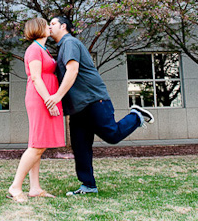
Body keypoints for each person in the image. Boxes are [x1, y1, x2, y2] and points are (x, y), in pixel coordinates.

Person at [44, 16, 154, 196]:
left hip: (94, 100)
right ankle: (88, 185)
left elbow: (73, 70)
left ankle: (136, 116)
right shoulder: (62, 47)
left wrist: (56, 97)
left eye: (53, 23)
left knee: (112, 135)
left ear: (64, 26)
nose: (49, 27)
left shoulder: (70, 42)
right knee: (80, 146)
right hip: (78, 108)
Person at [7, 17, 65, 202]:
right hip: (40, 98)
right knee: (37, 145)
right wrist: (50, 100)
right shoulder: (33, 49)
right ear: (38, 29)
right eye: (46, 24)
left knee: (38, 144)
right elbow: (36, 78)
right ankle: (15, 187)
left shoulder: (43, 49)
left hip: (45, 96)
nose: (49, 27)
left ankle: (35, 188)